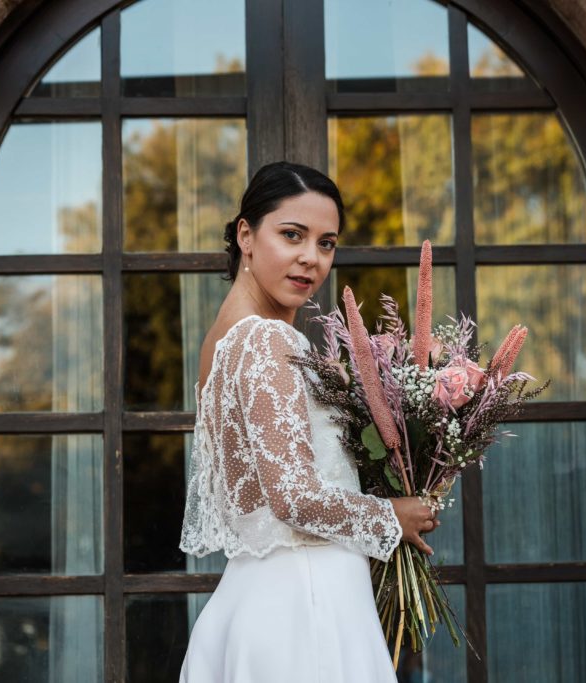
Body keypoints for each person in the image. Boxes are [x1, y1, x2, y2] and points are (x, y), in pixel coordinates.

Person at [178, 161, 440, 682]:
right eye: (292, 235)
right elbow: (291, 497)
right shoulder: (266, 339)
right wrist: (393, 516)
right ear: (245, 236)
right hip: (305, 608)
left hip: (261, 596)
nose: (310, 259)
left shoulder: (221, 341)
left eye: (326, 243)